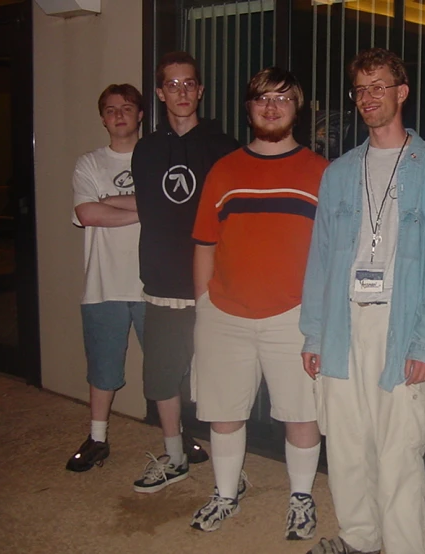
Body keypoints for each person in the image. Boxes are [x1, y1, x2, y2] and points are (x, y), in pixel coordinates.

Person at [300, 48, 425, 554]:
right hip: (342, 324)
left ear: (402, 93)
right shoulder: (339, 173)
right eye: (360, 89)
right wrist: (314, 331)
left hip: (401, 326)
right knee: (346, 447)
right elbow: (322, 257)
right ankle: (358, 539)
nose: (369, 98)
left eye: (379, 87)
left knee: (399, 453)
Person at [189, 67, 328, 539]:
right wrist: (203, 304)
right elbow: (205, 243)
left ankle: (301, 497)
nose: (271, 107)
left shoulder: (320, 172)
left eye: (283, 99)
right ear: (248, 109)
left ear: (298, 108)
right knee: (223, 412)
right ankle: (226, 494)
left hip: (293, 315)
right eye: (262, 99)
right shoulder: (224, 169)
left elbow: (331, 252)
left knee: (301, 413)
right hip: (223, 313)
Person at [131, 51, 239, 493]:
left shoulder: (224, 147)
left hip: (214, 287)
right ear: (160, 93)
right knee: (160, 377)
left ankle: (228, 471)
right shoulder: (147, 150)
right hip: (162, 285)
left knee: (218, 384)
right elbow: (149, 211)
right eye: (171, 85)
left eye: (188, 84)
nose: (181, 92)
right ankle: (174, 457)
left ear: (200, 90)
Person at [66, 84, 145, 472]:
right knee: (102, 369)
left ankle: (178, 434)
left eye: (126, 108)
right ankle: (97, 438)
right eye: (111, 109)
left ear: (140, 115)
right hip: (103, 284)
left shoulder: (156, 158)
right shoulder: (89, 163)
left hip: (153, 284)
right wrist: (147, 208)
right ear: (102, 118)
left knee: (169, 369)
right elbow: (87, 214)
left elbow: (171, 203)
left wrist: (107, 200)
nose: (118, 115)